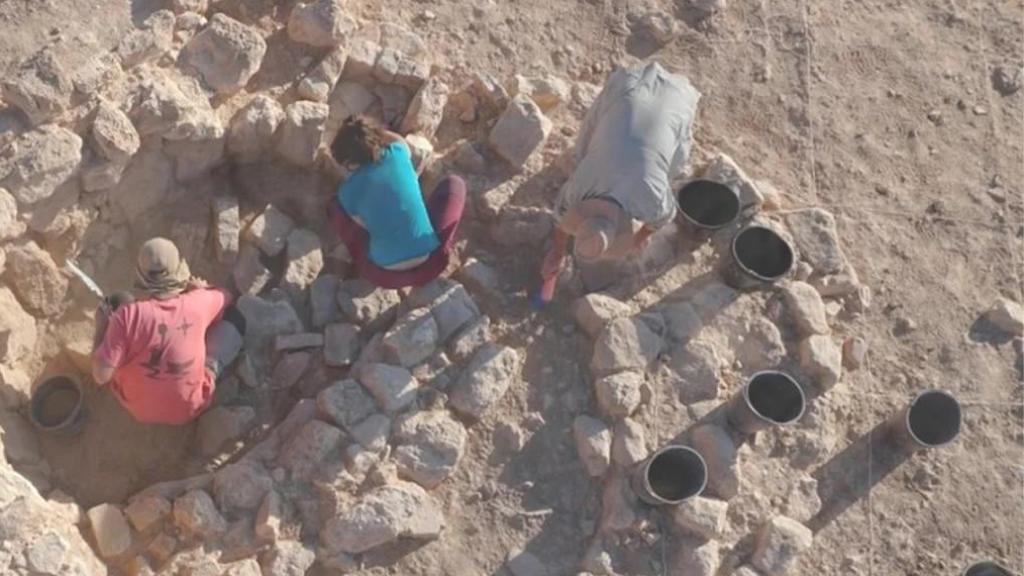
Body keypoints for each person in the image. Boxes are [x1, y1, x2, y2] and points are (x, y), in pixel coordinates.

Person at [537, 62, 701, 302]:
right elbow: (562, 220)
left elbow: (664, 216)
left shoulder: (650, 198)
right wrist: (558, 252)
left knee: (669, 164)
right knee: (587, 148)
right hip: (629, 87)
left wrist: (640, 238)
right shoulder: (583, 183)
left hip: (668, 101)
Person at [91, 238, 246, 425]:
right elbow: (227, 296)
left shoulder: (127, 316)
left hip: (138, 408)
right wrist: (200, 290)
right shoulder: (198, 302)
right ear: (177, 271)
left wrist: (102, 325)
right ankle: (210, 367)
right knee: (235, 318)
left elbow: (101, 376)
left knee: (120, 310)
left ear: (140, 275)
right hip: (189, 408)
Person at [326, 115, 466, 289]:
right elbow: (398, 139)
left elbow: (363, 227)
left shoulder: (347, 192)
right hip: (432, 265)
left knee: (336, 208)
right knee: (455, 184)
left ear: (349, 162)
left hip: (384, 277)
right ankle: (440, 244)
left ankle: (354, 267)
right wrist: (373, 131)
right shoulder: (398, 153)